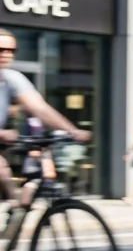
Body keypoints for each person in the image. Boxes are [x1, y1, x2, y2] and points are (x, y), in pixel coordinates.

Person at [0, 29, 91, 214]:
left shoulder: (11, 78)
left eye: (11, 50)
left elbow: (40, 108)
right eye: (0, 49)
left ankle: (15, 215)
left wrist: (72, 131)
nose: (6, 54)